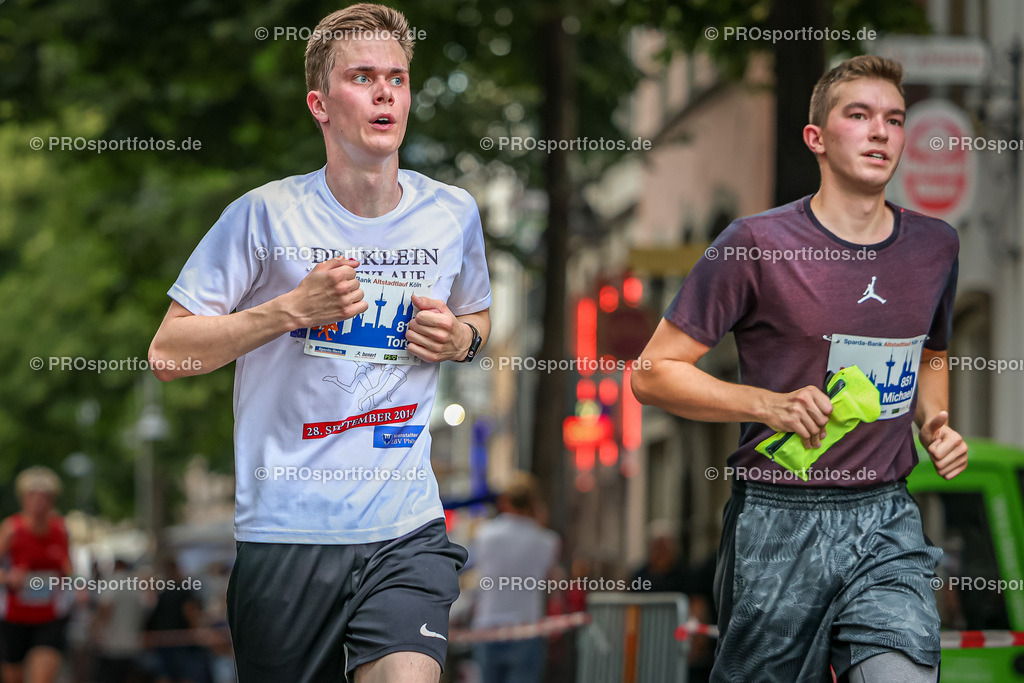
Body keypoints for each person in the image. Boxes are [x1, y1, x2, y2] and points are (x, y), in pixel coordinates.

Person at [147, 4, 492, 682]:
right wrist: (287, 310)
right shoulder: (263, 215)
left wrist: (459, 340)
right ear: (320, 104)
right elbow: (168, 353)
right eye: (363, 76)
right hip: (285, 532)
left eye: (397, 76)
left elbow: (476, 315)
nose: (386, 90)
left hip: (404, 527)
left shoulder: (453, 213)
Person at [632, 55, 967, 683]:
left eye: (894, 119)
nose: (880, 132)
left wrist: (936, 422)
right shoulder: (753, 244)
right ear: (816, 137)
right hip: (777, 520)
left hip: (885, 518)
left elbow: (932, 351)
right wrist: (767, 404)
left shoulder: (936, 246)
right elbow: (652, 372)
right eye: (859, 115)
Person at [470, 473, 560, 683]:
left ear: (504, 501)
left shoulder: (485, 534)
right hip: (526, 627)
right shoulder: (547, 541)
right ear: (534, 504)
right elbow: (552, 582)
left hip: (488, 624)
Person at [0, 467, 73, 683]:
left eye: (45, 496)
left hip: (49, 616)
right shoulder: (11, 529)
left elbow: (67, 565)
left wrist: (78, 584)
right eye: (32, 495)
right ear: (23, 498)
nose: (39, 502)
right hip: (14, 617)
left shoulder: (60, 529)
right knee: (14, 678)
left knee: (42, 678)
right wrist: (8, 577)